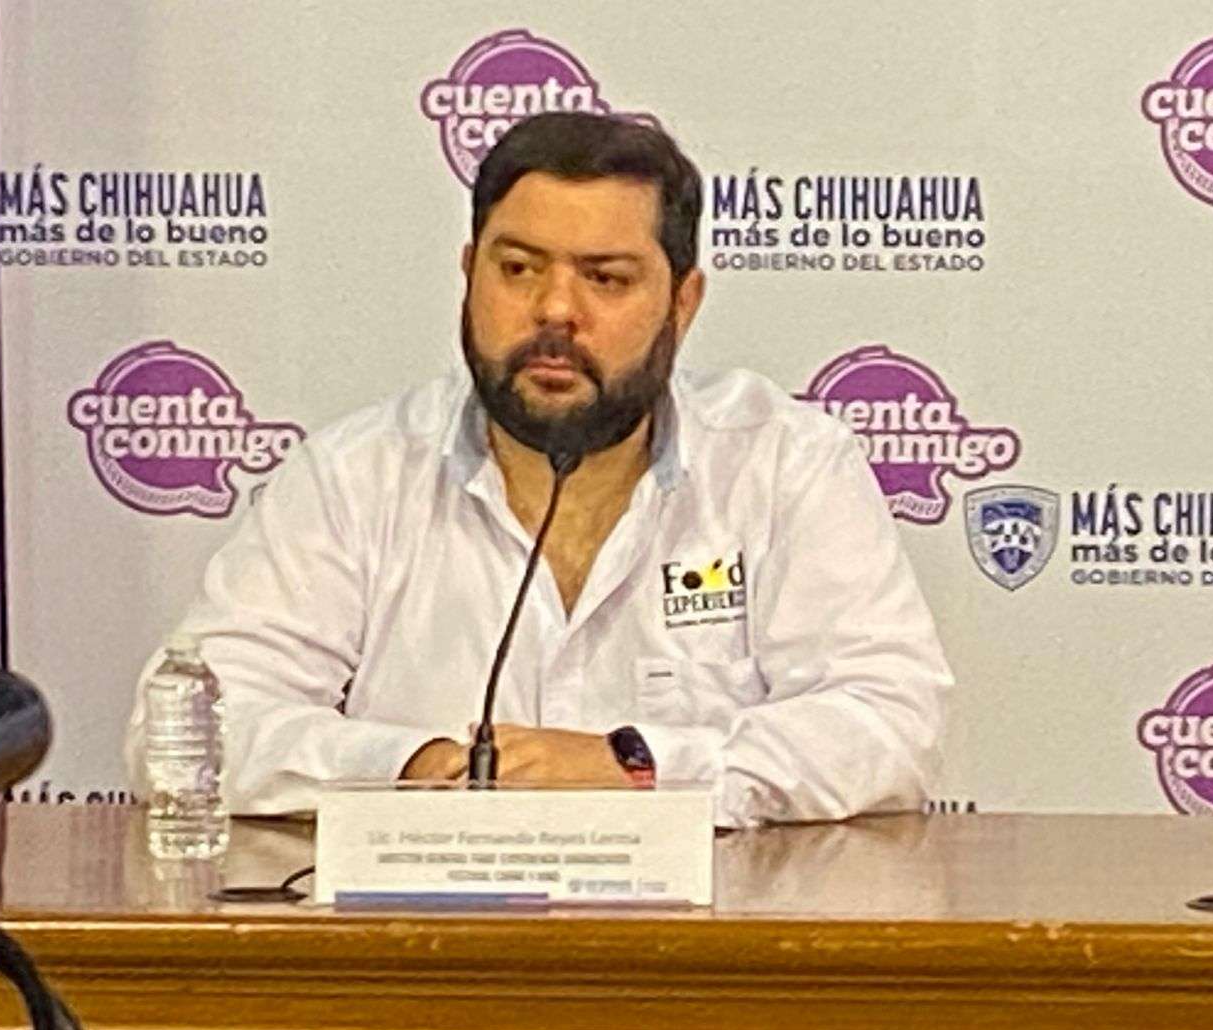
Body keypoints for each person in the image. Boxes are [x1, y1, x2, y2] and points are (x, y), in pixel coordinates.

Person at [125, 112, 951, 827]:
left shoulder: (784, 464)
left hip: (708, 944)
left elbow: (889, 723)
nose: (555, 311)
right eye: (517, 269)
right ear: (468, 274)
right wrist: (412, 767)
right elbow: (185, 733)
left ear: (683, 303)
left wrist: (637, 765)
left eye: (605, 279)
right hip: (426, 945)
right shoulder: (354, 475)